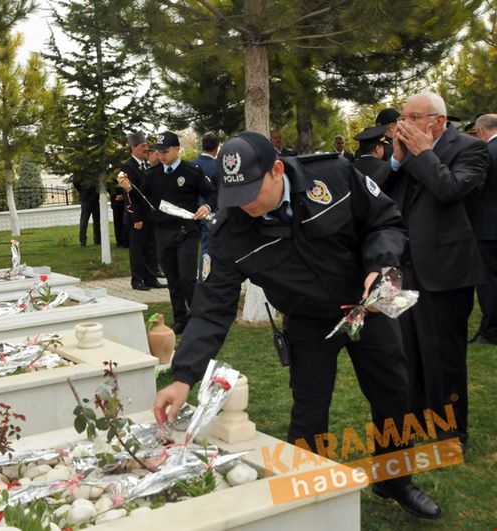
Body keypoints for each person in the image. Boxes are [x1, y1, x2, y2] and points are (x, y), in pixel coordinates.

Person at [154, 131, 441, 519]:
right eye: (235, 196)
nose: (246, 206)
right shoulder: (229, 233)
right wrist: (182, 376)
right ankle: (306, 491)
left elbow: (385, 222)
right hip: (308, 321)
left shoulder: (335, 176)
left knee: (394, 393)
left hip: (365, 306)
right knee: (309, 408)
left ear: (277, 170)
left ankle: (395, 478)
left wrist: (381, 266)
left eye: (253, 192)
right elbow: (210, 310)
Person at [384, 92, 489, 453]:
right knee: (406, 351)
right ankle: (412, 422)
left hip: (446, 269)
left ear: (438, 122)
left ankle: (449, 431)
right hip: (405, 266)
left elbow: (449, 189)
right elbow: (378, 196)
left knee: (444, 354)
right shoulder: (404, 152)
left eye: (412, 116)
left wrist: (422, 153)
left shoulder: (470, 149)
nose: (403, 123)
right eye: (403, 116)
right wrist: (396, 162)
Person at [119, 131, 216, 333]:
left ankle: (199, 318)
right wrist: (129, 189)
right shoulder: (153, 174)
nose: (161, 155)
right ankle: (180, 318)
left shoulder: (192, 171)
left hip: (187, 231)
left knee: (188, 277)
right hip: (162, 232)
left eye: (165, 151)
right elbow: (141, 199)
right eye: (158, 152)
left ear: (176, 149)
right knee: (172, 278)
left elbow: (211, 193)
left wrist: (206, 207)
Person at [120, 131, 164, 291]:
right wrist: (136, 218)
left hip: (150, 215)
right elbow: (128, 195)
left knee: (151, 247)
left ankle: (151, 277)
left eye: (146, 145)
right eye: (143, 146)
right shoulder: (127, 167)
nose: (146, 148)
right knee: (138, 250)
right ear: (133, 148)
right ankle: (137, 280)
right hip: (137, 216)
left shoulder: (147, 165)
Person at [468, 113, 497, 345]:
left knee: (488, 281)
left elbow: (476, 189)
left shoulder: (486, 153)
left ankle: (490, 331)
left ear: (480, 131)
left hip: (488, 228)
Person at [190, 132, 221, 277]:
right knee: (207, 246)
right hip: (210, 211)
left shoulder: (190, 164)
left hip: (190, 211)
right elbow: (219, 192)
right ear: (216, 147)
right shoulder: (217, 167)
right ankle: (204, 275)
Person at [74, 177, 101, 247]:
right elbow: (75, 182)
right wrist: (82, 190)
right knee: (85, 221)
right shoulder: (83, 171)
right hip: (87, 198)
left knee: (96, 220)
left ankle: (97, 240)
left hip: (93, 197)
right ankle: (83, 241)